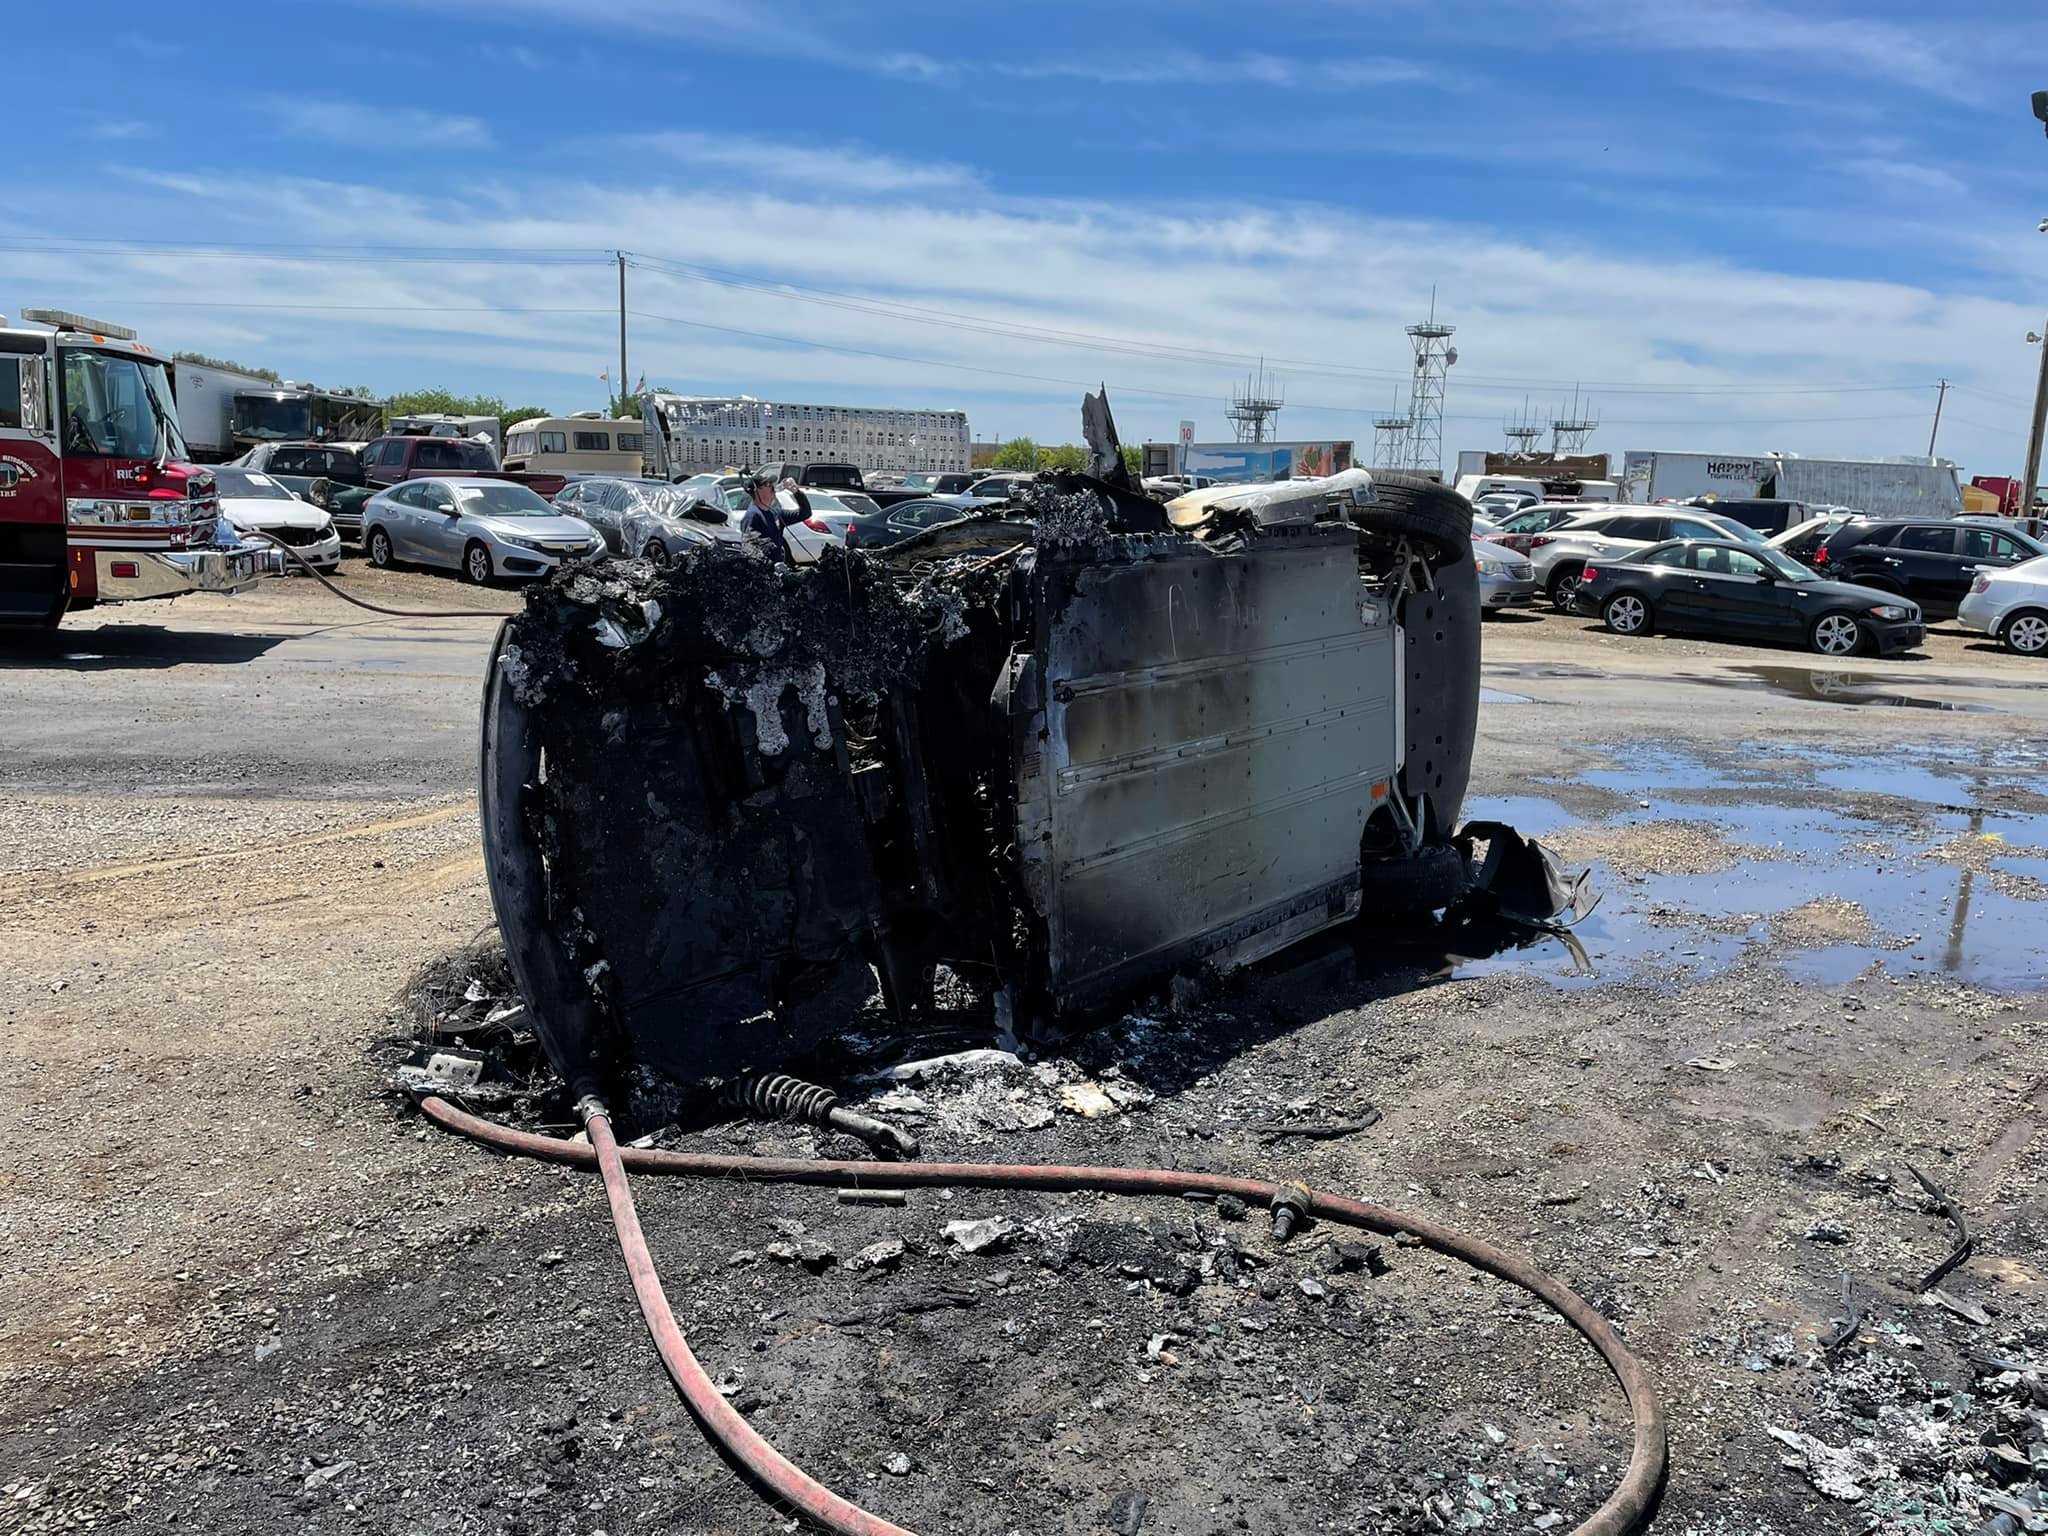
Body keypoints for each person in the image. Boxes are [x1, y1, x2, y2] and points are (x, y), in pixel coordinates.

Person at [740, 468, 809, 563]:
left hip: (777, 568)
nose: (772, 487)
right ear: (756, 490)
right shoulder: (752, 516)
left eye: (772, 484)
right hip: (765, 572)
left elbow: (805, 513)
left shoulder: (775, 513)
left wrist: (796, 492)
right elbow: (750, 549)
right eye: (767, 484)